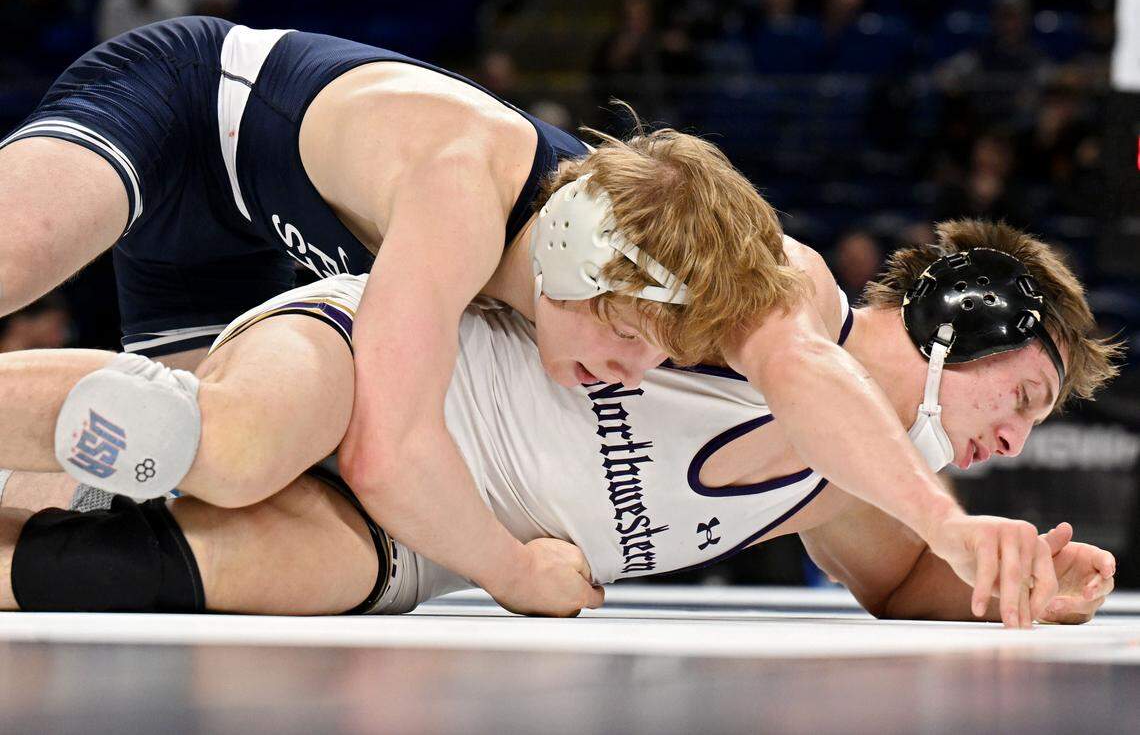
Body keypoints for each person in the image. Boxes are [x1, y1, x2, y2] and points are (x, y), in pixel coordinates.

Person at [0, 17, 1064, 617]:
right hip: (195, 114)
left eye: (662, 352)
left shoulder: (674, 264)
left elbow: (795, 365)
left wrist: (999, 569)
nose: (636, 368)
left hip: (279, 261)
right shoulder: (470, 194)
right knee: (224, 444)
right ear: (573, 274)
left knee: (128, 489)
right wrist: (513, 574)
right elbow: (387, 442)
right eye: (1022, 393)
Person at [0, 220, 1122, 626]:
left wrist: (1020, 588)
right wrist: (948, 521)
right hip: (383, 371)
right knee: (233, 445)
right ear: (947, 328)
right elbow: (798, 375)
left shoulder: (843, 490)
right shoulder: (785, 284)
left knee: (113, 569)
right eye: (1021, 397)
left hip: (407, 544)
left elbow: (902, 589)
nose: (1014, 442)